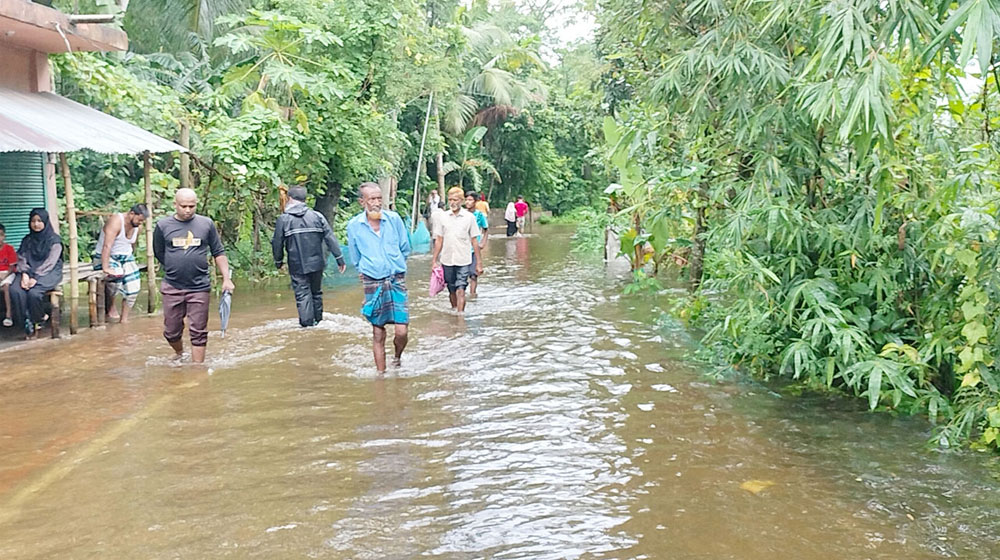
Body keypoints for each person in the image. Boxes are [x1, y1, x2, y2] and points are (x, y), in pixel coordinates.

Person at [153, 188, 235, 363]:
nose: (188, 210)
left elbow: (218, 252)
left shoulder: (206, 224)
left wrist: (226, 279)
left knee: (198, 330)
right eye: (183, 206)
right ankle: (180, 353)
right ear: (175, 205)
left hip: (199, 286)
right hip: (172, 285)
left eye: (192, 206)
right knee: (171, 331)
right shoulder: (163, 226)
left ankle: (197, 370)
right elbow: (159, 252)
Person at [347, 182, 411, 373]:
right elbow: (355, 256)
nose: (376, 203)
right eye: (371, 199)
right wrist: (366, 271)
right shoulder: (354, 226)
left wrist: (395, 263)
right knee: (377, 331)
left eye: (379, 198)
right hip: (372, 280)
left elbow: (404, 247)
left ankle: (397, 357)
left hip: (395, 278)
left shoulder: (394, 219)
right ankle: (381, 375)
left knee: (402, 331)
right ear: (362, 202)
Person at [272, 185, 346, 327]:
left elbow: (277, 242)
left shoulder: (284, 219)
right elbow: (330, 237)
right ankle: (318, 323)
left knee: (302, 294)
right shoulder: (317, 216)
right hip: (317, 262)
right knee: (316, 293)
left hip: (296, 264)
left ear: (290, 199)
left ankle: (307, 327)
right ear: (305, 199)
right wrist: (339, 259)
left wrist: (278, 261)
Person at [8, 208, 62, 339]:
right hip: (28, 271)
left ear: (45, 222)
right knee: (16, 290)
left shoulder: (54, 241)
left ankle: (39, 319)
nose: (36, 224)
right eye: (33, 221)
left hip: (49, 272)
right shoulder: (27, 240)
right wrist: (25, 274)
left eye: (39, 221)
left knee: (34, 293)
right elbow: (21, 258)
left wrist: (36, 278)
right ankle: (26, 322)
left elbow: (51, 262)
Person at [431, 187, 484, 313]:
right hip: (447, 260)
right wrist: (434, 260)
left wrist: (479, 263)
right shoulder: (442, 217)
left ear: (461, 201)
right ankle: (454, 311)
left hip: (464, 259)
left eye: (455, 200)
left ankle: (460, 316)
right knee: (452, 289)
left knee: (461, 289)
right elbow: (439, 240)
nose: (452, 202)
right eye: (450, 200)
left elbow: (474, 241)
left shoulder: (469, 217)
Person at [94, 204, 148, 323]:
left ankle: (124, 320)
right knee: (115, 279)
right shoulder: (116, 221)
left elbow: (132, 245)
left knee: (134, 288)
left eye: (142, 221)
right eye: (139, 220)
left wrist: (130, 261)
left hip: (126, 257)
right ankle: (111, 307)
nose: (140, 223)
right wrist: (105, 267)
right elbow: (107, 246)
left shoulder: (138, 228)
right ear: (131, 214)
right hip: (107, 256)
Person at [464, 191, 489, 297]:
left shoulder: (479, 215)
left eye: (470, 200)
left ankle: (473, 294)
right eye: (466, 200)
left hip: (474, 249)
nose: (467, 202)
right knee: (462, 274)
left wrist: (483, 242)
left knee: (473, 274)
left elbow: (486, 229)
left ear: (475, 202)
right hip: (462, 248)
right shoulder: (462, 214)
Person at [0, 223, 17, 327]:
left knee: (6, 287)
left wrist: (4, 276)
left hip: (8, 273)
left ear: (4, 236)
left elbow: (12, 267)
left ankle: (8, 315)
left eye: (0, 235)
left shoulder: (9, 248)